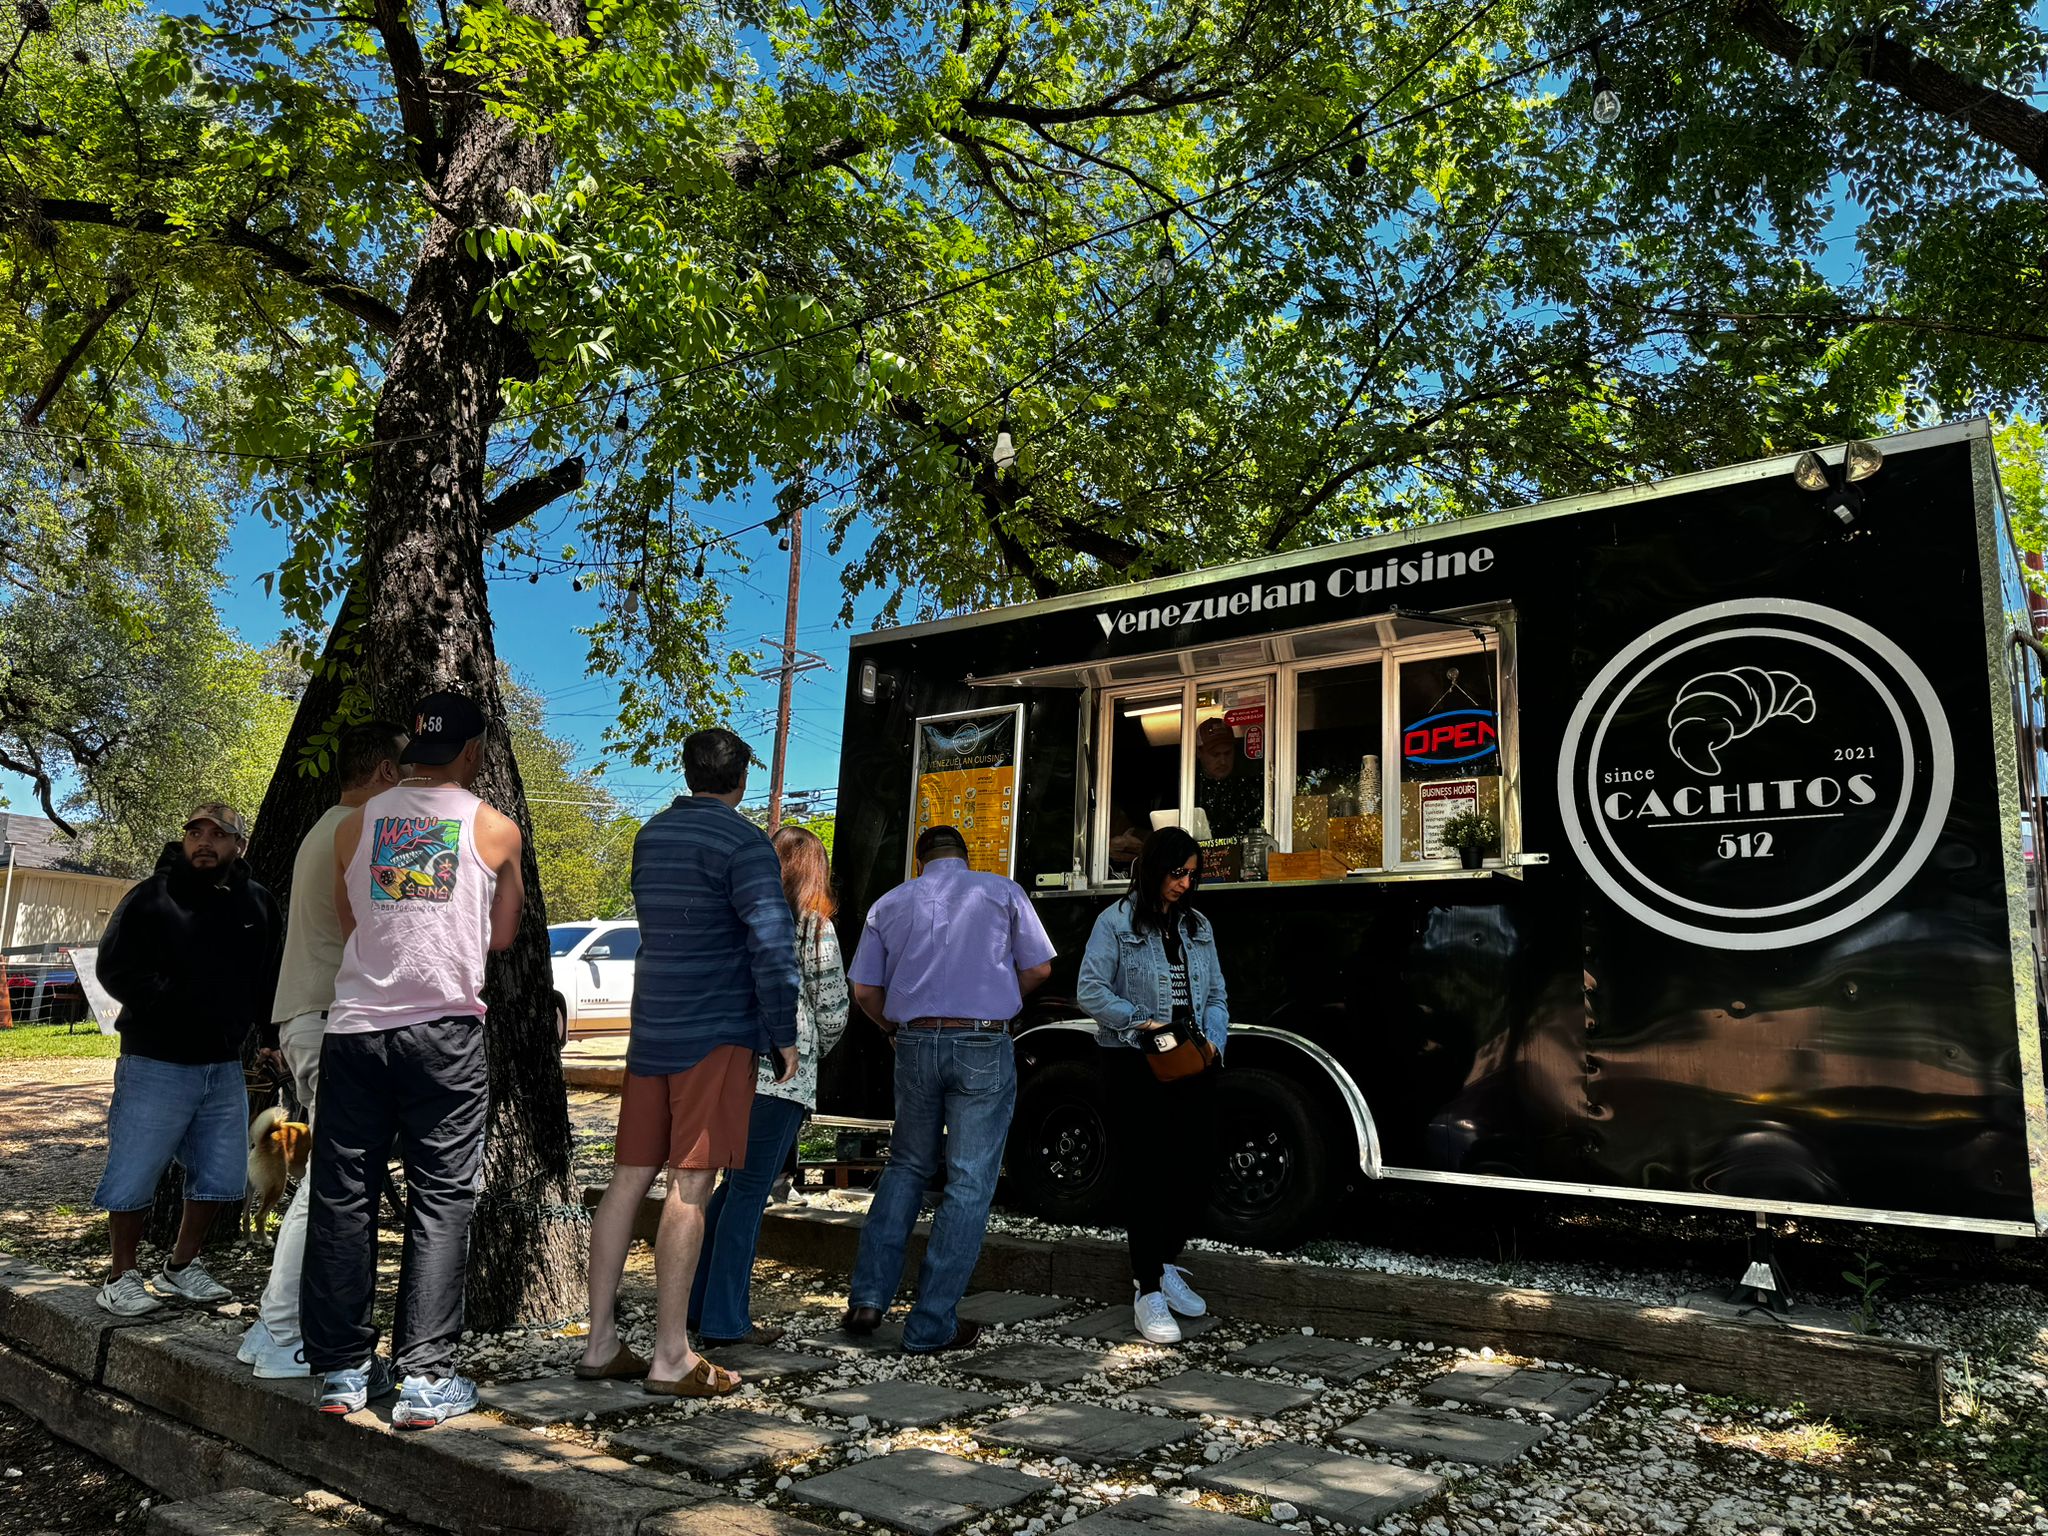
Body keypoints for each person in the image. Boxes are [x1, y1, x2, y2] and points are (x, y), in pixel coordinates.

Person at [301, 691, 524, 1429]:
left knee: (344, 1195)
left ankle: (339, 1370)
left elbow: (350, 923)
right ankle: (425, 1378)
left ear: (408, 755)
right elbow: (499, 938)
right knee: (441, 1200)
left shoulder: (353, 826)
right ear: (471, 753)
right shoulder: (495, 830)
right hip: (445, 1034)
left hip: (358, 1028)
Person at [579, 728, 799, 1398]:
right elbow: (769, 941)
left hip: (652, 1033)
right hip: (716, 1032)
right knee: (690, 1188)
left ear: (688, 771)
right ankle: (671, 1355)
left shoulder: (650, 836)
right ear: (740, 780)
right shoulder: (744, 844)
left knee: (626, 1182)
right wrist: (784, 1031)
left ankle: (599, 1343)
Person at [841, 826, 1054, 1354]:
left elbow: (865, 989)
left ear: (920, 861)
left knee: (906, 1165)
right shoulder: (1003, 891)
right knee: (968, 1182)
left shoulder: (888, 903)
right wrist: (1001, 997)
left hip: (913, 1042)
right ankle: (931, 1322)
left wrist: (892, 1028)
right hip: (982, 1042)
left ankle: (868, 1298)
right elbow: (1040, 967)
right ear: (965, 856)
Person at [236, 722, 406, 1379]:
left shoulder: (327, 828)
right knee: (337, 1187)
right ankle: (285, 1332)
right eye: (405, 770)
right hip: (338, 1023)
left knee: (323, 1179)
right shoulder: (365, 829)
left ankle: (271, 1326)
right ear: (385, 775)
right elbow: (404, 922)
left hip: (313, 1020)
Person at [92, 804, 281, 1316]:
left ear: (238, 845)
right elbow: (113, 966)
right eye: (195, 831)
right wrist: (168, 1002)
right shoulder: (152, 896)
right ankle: (120, 1276)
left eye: (218, 834)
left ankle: (180, 1268)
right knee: (134, 1173)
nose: (203, 841)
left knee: (220, 1175)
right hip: (155, 1058)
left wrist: (269, 1036)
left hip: (221, 1065)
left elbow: (267, 978)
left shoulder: (257, 904)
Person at [687, 824, 849, 1347]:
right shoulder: (814, 926)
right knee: (750, 1193)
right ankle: (725, 1320)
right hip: (782, 1075)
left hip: (728, 1066)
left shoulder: (740, 919)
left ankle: (695, 1305)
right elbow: (831, 1007)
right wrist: (815, 1047)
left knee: (728, 1188)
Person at [1075, 825, 1229, 1344]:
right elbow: (1089, 990)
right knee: (1147, 1173)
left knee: (1196, 1167)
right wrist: (1142, 1021)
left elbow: (1218, 995)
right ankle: (1147, 1290)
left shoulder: (1198, 926)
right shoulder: (1115, 923)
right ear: (1153, 868)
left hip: (1193, 1063)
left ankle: (1164, 1265)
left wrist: (1213, 1043)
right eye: (1176, 872)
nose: (1185, 883)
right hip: (1134, 1064)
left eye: (1193, 874)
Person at [1193, 717, 1264, 839]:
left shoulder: (1249, 789)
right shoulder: (1189, 787)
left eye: (1228, 753)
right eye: (1215, 754)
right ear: (1199, 752)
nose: (1223, 761)